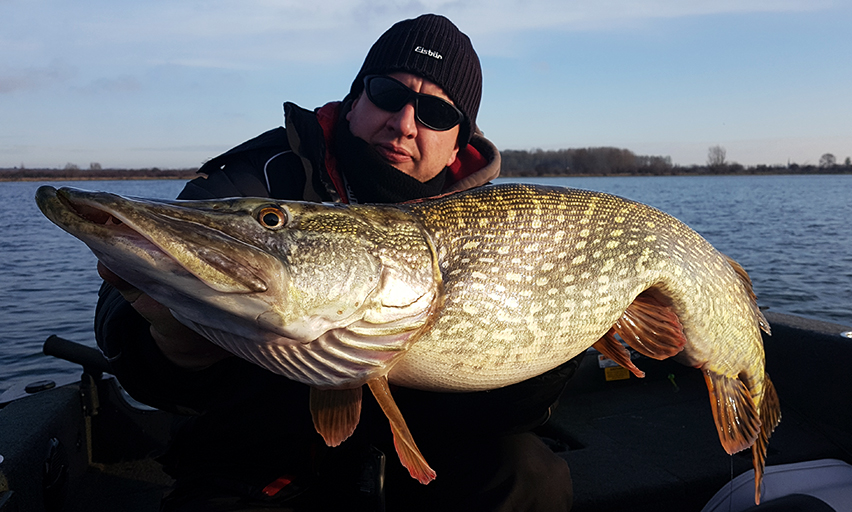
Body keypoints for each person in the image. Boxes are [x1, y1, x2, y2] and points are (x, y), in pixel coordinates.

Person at [95, 14, 579, 512]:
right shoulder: (258, 179)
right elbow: (133, 349)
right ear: (355, 101)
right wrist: (174, 341)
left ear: (460, 141)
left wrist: (566, 343)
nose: (404, 123)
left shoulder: (506, 229)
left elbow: (512, 412)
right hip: (259, 461)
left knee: (527, 475)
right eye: (389, 94)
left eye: (435, 112)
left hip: (429, 449)